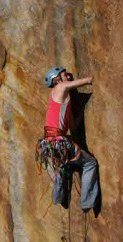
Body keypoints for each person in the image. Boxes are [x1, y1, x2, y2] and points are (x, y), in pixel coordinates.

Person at [35, 66, 99, 211]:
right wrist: (92, 79)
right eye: (65, 75)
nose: (69, 77)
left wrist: (82, 110)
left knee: (62, 166)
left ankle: (58, 197)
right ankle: (87, 202)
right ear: (57, 80)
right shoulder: (59, 88)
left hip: (50, 143)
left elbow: (73, 125)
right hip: (59, 142)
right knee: (90, 163)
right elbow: (87, 81)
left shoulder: (63, 102)